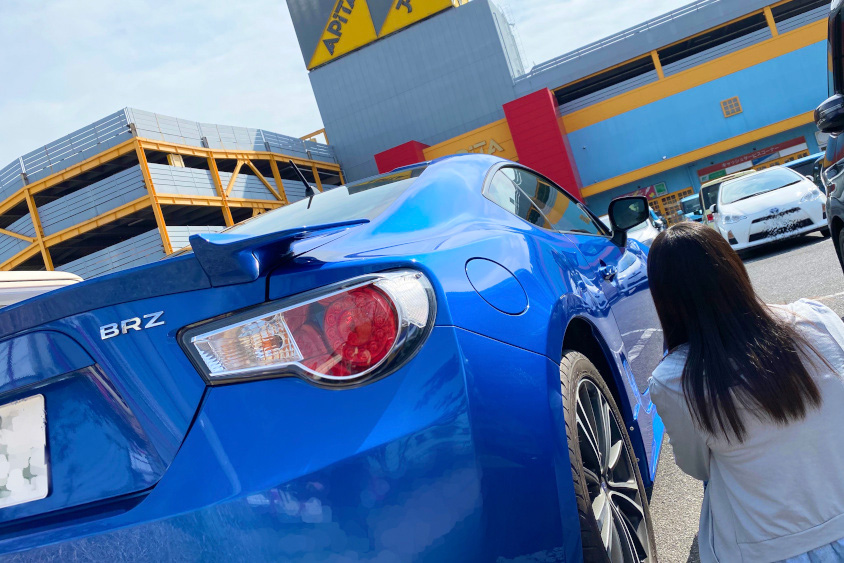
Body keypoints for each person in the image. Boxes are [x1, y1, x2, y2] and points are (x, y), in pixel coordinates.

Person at [647, 222, 844, 563]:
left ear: (665, 301)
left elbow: (698, 467)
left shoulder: (674, 379)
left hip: (768, 550)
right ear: (733, 267)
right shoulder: (817, 318)